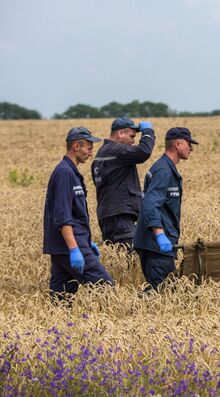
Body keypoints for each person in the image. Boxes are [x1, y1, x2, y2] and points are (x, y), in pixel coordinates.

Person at [43, 127, 114, 297]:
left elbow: (74, 213)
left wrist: (87, 241)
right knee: (106, 288)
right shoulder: (65, 173)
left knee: (61, 299)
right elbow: (63, 216)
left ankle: (57, 323)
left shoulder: (70, 172)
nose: (91, 153)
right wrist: (75, 249)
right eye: (88, 148)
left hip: (66, 246)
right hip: (69, 246)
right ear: (76, 147)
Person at [133, 127, 198, 291]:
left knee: (162, 291)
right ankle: (132, 312)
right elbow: (149, 204)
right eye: (189, 144)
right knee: (164, 292)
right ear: (178, 144)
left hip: (156, 245)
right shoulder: (163, 171)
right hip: (155, 246)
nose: (191, 148)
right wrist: (160, 235)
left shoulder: (166, 168)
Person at [91, 117, 155, 248]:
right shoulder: (115, 150)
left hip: (111, 215)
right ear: (120, 133)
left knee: (120, 256)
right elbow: (143, 152)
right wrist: (148, 132)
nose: (133, 141)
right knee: (128, 258)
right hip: (119, 217)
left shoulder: (101, 154)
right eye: (131, 136)